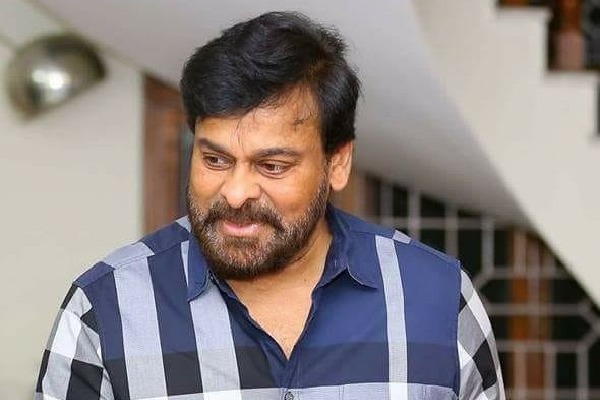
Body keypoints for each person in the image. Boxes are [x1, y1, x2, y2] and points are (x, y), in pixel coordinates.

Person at [35, 11, 505, 400]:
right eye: (215, 159)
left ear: (337, 163)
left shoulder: (438, 301)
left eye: (272, 166)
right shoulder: (105, 312)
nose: (236, 192)